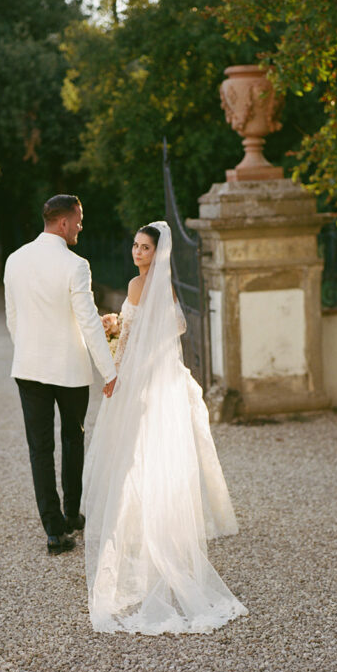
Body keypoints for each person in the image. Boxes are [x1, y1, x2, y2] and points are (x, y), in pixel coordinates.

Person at [80, 220, 248, 634]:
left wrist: (114, 367)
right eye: (135, 246)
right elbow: (173, 327)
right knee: (160, 451)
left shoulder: (138, 287)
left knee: (130, 453)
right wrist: (122, 327)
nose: (137, 253)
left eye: (144, 248)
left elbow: (136, 335)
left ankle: (138, 528)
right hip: (167, 377)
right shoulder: (164, 285)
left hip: (143, 379)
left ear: (157, 252)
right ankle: (162, 524)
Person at [4, 195, 118, 555]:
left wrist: (27, 350)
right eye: (79, 220)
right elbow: (87, 320)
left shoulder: (15, 260)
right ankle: (71, 513)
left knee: (39, 448)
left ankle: (54, 531)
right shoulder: (76, 264)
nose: (82, 226)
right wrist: (109, 370)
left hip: (28, 367)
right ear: (64, 223)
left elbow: (13, 318)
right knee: (73, 438)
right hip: (69, 368)